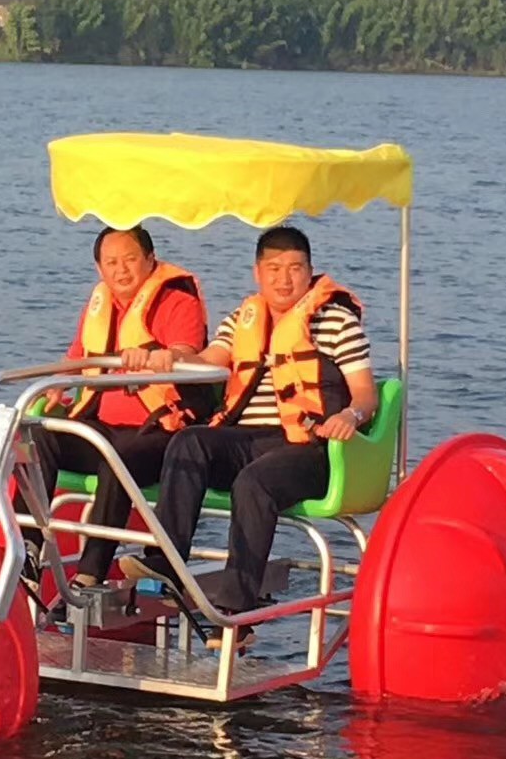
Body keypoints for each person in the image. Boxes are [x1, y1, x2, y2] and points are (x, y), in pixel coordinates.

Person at [120, 225, 378, 650]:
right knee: (190, 441)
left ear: (311, 271)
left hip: (312, 446)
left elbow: (365, 392)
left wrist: (351, 415)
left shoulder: (335, 321)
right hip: (249, 439)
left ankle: (238, 617)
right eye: (274, 268)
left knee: (255, 482)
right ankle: (165, 565)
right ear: (258, 273)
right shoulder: (245, 317)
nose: (284, 278)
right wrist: (166, 358)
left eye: (295, 268)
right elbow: (205, 362)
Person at [21, 225, 210, 601]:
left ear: (150, 260)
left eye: (130, 260)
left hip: (159, 431)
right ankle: (27, 552)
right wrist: (58, 384)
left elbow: (189, 351)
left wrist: (165, 357)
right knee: (38, 436)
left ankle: (90, 572)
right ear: (99, 269)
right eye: (111, 263)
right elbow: (77, 357)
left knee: (118, 457)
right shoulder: (99, 303)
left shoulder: (177, 299)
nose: (121, 270)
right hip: (101, 425)